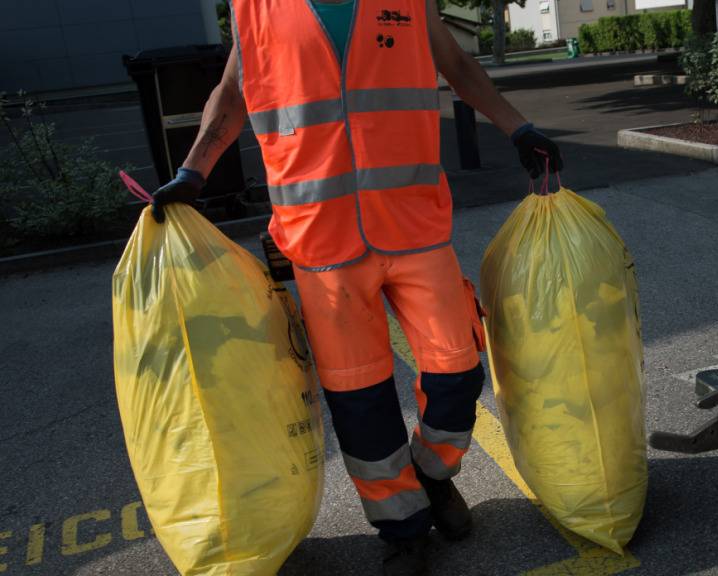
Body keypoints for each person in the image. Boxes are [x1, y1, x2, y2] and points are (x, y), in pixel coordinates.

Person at [149, 0, 562, 574]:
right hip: (322, 243)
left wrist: (520, 127)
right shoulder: (258, 10)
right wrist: (194, 171)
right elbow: (232, 93)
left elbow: (460, 69)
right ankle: (405, 529)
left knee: (459, 369)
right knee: (359, 400)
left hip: (414, 224)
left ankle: (432, 474)